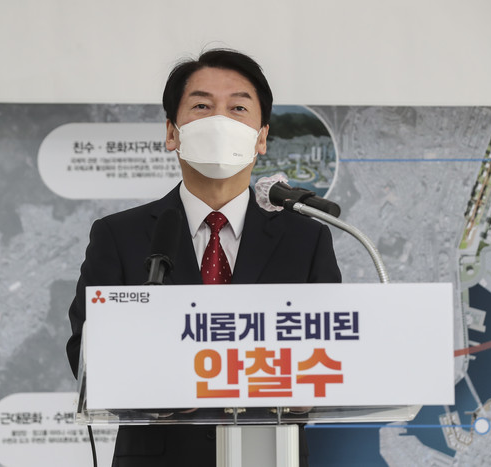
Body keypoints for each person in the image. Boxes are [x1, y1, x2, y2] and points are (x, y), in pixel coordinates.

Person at [67, 48, 341, 467]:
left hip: (270, 455)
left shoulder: (306, 238)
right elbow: (84, 350)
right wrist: (155, 389)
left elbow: (332, 350)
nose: (220, 121)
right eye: (201, 106)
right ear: (172, 133)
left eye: (237, 108)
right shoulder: (120, 235)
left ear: (262, 137)